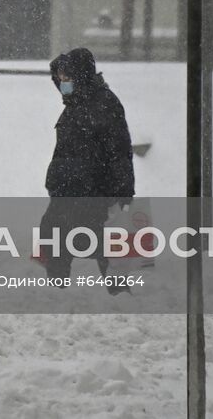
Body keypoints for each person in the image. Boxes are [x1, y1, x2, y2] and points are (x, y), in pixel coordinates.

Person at [38, 47, 135, 282]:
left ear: (81, 76)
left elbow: (119, 151)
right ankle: (56, 288)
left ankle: (120, 294)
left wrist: (122, 193)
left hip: (94, 192)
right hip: (66, 192)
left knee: (103, 246)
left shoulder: (105, 104)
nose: (62, 82)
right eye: (60, 77)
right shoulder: (73, 105)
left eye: (67, 77)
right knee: (53, 239)